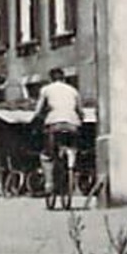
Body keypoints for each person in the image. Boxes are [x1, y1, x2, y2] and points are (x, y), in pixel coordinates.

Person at [33, 67, 83, 197]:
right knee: (73, 147)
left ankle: (49, 183)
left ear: (51, 78)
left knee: (47, 155)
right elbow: (80, 110)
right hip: (72, 124)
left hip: (54, 125)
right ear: (64, 78)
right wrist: (79, 119)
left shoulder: (46, 90)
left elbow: (38, 111)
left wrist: (37, 119)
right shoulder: (73, 90)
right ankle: (71, 163)